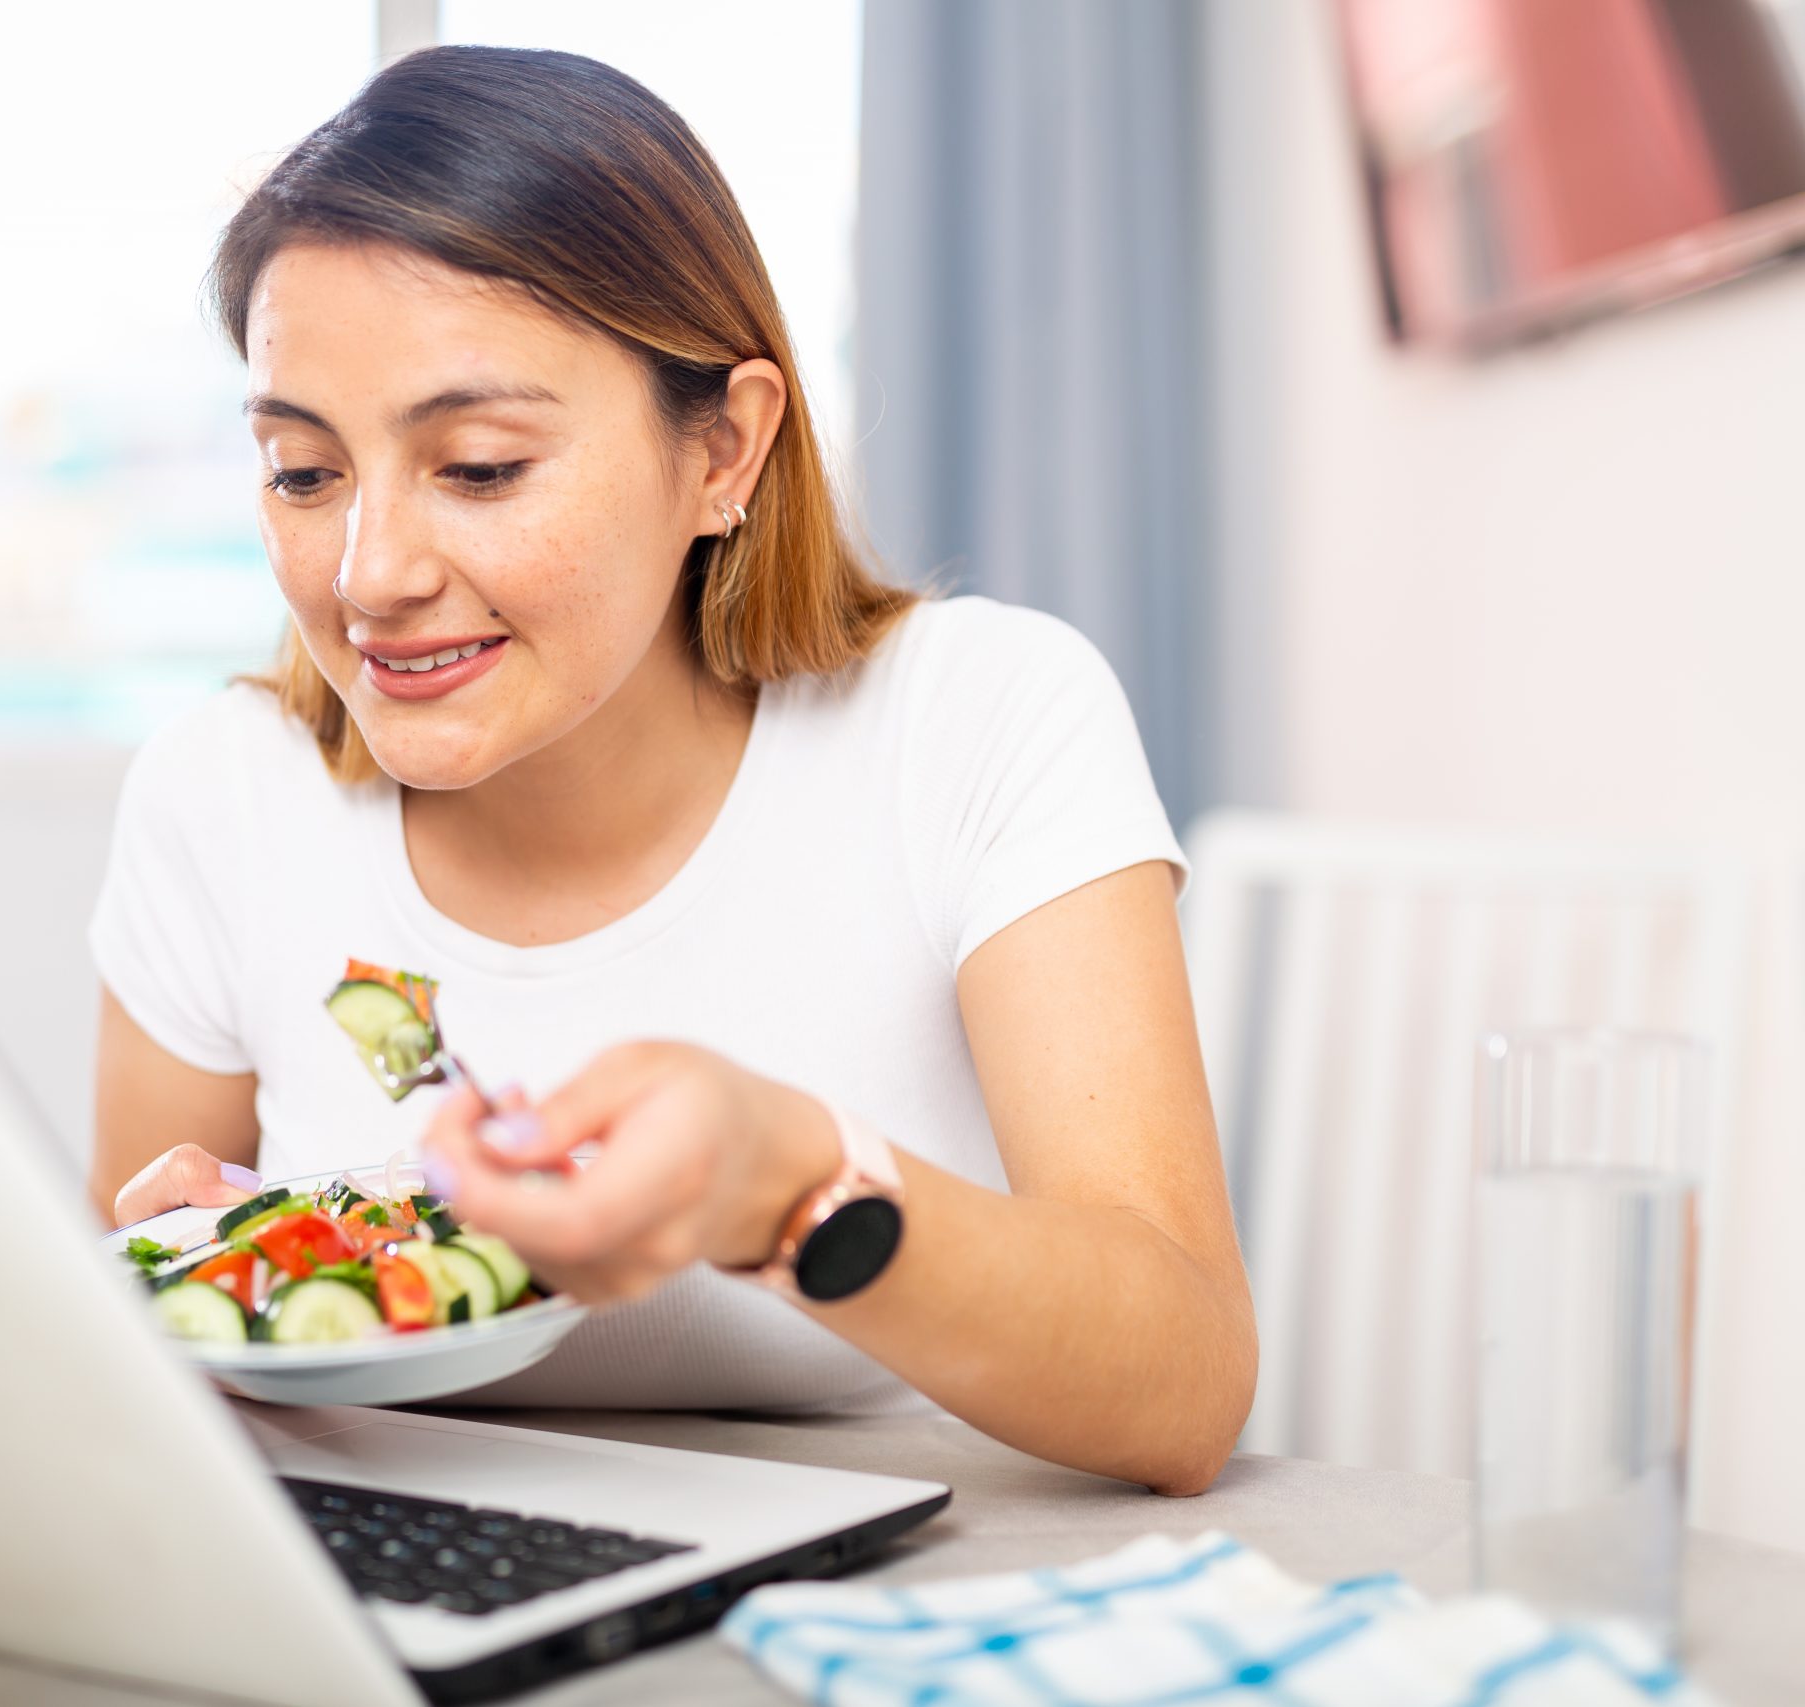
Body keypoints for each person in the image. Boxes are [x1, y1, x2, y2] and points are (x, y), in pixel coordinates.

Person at [90, 46, 1254, 1495]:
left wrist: (784, 1182)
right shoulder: (222, 797)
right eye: (304, 474)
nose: (369, 576)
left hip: (906, 1571)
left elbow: (1185, 1379)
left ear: (725, 449)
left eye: (482, 467)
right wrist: (223, 1282)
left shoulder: (979, 721)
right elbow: (128, 1395)